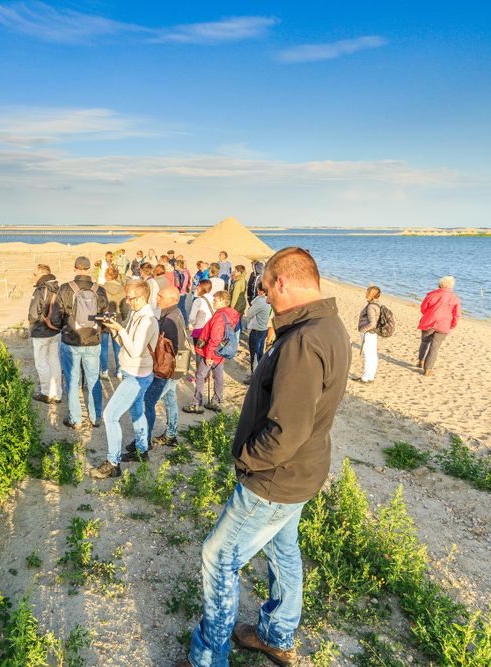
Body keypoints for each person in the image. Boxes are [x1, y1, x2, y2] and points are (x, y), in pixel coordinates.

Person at [176, 247, 350, 667]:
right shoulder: (327, 325)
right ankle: (277, 635)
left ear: (284, 282)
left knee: (218, 558)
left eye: (267, 287)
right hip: (301, 473)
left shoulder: (305, 340)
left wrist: (247, 461)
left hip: (275, 479)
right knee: (284, 552)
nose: (265, 295)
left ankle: (208, 659)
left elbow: (285, 431)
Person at [91, 280, 159, 479]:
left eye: (130, 298)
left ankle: (113, 463)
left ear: (141, 297)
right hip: (134, 373)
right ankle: (141, 450)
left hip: (137, 376)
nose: (127, 302)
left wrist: (120, 330)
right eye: (126, 298)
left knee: (110, 415)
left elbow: (136, 351)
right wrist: (114, 329)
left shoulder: (147, 320)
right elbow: (124, 343)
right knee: (138, 412)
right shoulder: (136, 314)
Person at [52, 256, 109, 429]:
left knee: (72, 380)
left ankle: (75, 419)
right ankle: (96, 417)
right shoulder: (99, 290)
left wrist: (63, 327)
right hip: (93, 340)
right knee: (93, 379)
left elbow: (56, 317)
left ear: (75, 268)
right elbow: (105, 316)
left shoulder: (65, 288)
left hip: (71, 340)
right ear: (89, 268)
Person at [141, 286, 188, 448]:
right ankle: (171, 435)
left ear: (172, 299)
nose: (157, 298)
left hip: (168, 371)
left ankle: (143, 443)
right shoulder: (175, 313)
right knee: (170, 400)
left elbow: (171, 349)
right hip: (175, 369)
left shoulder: (170, 319)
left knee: (147, 403)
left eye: (160, 296)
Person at [185, 290, 239, 414]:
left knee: (200, 375)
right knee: (218, 374)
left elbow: (215, 337)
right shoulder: (232, 314)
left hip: (212, 351)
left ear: (221, 300)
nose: (213, 302)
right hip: (221, 350)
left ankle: (196, 404)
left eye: (215, 300)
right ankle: (216, 400)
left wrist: (209, 355)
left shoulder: (220, 316)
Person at [27, 264, 62, 404]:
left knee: (42, 363)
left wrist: (31, 322)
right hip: (55, 330)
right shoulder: (57, 287)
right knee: (54, 361)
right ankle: (57, 393)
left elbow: (34, 313)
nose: (32, 276)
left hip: (41, 331)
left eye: (34, 274)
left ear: (41, 274)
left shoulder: (41, 289)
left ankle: (46, 393)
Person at [417, 276, 461, 376]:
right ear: (451, 286)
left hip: (429, 321)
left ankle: (421, 361)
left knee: (424, 342)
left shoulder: (432, 294)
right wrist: (453, 324)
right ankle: (428, 370)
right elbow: (457, 314)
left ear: (440, 284)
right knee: (434, 347)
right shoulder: (455, 298)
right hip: (443, 324)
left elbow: (423, 308)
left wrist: (428, 315)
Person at [100, 266, 129, 380]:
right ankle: (119, 370)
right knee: (117, 346)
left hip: (104, 318)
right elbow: (125, 306)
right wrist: (123, 317)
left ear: (106, 275)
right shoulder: (122, 289)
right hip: (117, 318)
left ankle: (104, 370)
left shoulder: (101, 288)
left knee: (104, 346)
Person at [356, 286, 382, 383]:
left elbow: (372, 323)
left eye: (367, 292)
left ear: (372, 295)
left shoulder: (371, 306)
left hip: (368, 333)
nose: (366, 294)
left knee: (368, 355)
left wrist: (362, 330)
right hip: (373, 333)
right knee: (373, 355)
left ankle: (365, 378)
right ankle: (370, 377)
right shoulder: (377, 304)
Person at [243, 291, 272, 373]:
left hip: (257, 330)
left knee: (255, 354)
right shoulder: (270, 300)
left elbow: (249, 313)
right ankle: (259, 374)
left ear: (260, 291)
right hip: (264, 329)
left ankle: (254, 375)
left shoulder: (261, 301)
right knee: (260, 353)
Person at [229, 265, 248, 332]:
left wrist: (231, 308)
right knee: (239, 320)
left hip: (237, 304)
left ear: (239, 272)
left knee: (236, 322)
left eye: (236, 271)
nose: (234, 272)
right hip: (241, 302)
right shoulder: (243, 280)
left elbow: (235, 296)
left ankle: (236, 340)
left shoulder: (238, 282)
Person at [175, 259, 193, 323]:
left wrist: (179, 291)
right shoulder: (183, 272)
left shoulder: (184, 273)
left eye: (175, 265)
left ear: (178, 265)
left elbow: (183, 284)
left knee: (181, 309)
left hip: (182, 293)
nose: (175, 267)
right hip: (182, 293)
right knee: (181, 308)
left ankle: (185, 323)